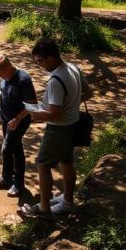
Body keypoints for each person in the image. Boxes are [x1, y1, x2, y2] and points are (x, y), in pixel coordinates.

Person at [20, 39, 92, 217]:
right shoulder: (73, 67)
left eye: (40, 61)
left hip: (59, 128)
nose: (39, 65)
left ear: (51, 58)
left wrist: (35, 114)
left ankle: (44, 207)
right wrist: (71, 105)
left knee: (42, 164)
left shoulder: (55, 81)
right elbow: (89, 93)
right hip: (73, 123)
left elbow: (54, 114)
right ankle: (67, 200)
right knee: (66, 161)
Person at [0, 55, 37, 197]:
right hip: (6, 118)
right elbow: (2, 90)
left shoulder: (23, 79)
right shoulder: (5, 77)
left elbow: (32, 104)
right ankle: (7, 179)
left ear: (7, 68)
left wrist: (17, 119)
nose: (0, 77)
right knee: (16, 148)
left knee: (7, 149)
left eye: (0, 74)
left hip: (19, 121)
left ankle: (17, 184)